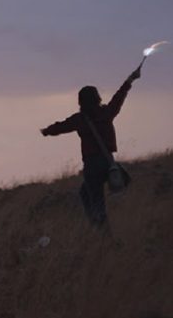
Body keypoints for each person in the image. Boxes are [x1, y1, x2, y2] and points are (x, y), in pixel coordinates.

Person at [40, 67, 141, 229]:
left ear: (80, 102)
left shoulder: (79, 119)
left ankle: (101, 231)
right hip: (107, 162)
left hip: (92, 165)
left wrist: (46, 131)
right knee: (85, 193)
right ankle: (97, 226)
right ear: (97, 98)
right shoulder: (107, 112)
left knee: (95, 199)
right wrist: (130, 80)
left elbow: (62, 127)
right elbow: (119, 97)